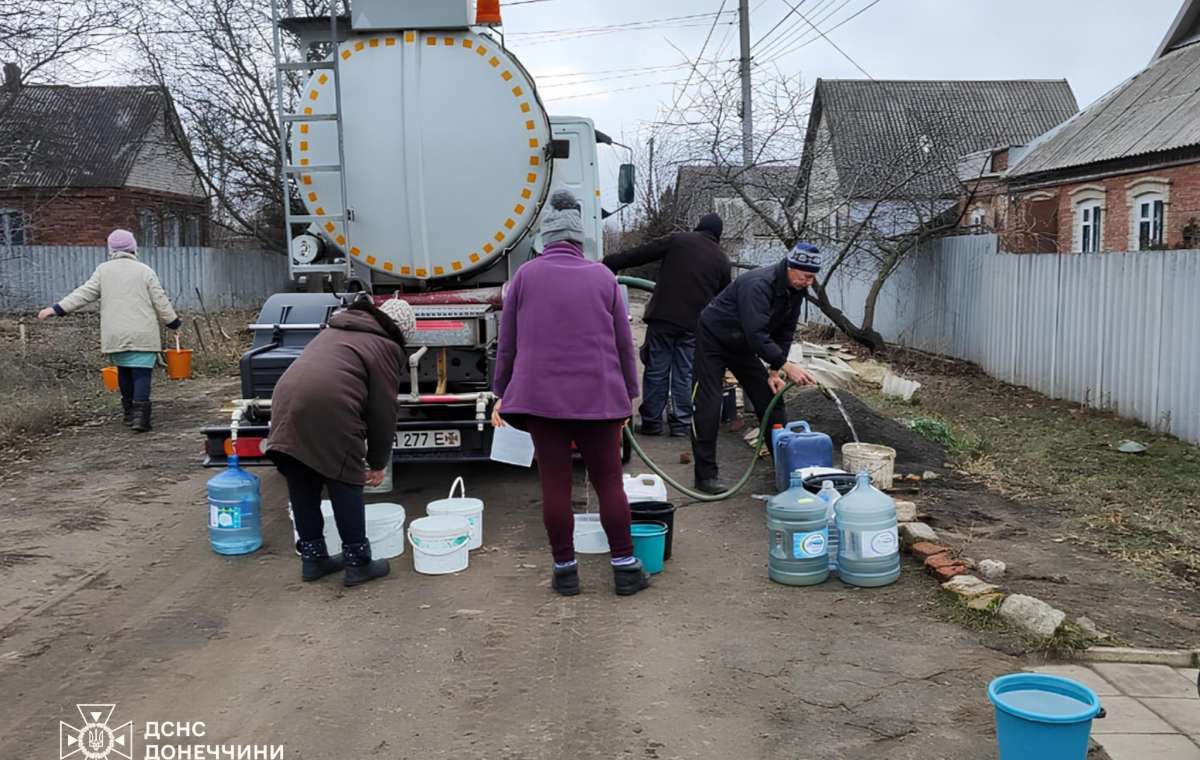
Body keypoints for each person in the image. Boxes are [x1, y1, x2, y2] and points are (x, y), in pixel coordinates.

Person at [492, 189, 650, 597]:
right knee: (609, 484)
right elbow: (623, 344)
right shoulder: (604, 277)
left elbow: (506, 342)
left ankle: (565, 571)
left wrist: (501, 392)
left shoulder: (524, 278)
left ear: (544, 240)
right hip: (600, 399)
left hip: (542, 403)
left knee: (555, 487)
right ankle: (625, 569)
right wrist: (629, 397)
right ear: (581, 242)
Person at [265, 295, 414, 587]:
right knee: (345, 477)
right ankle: (358, 562)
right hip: (329, 406)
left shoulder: (336, 329)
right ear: (401, 332)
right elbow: (383, 410)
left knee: (302, 476)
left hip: (285, 400)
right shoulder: (386, 346)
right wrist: (377, 462)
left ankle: (313, 559)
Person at [690, 242, 821, 494]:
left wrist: (775, 370)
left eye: (813, 277)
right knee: (709, 404)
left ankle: (784, 469)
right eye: (806, 276)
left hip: (743, 342)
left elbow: (785, 330)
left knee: (770, 399)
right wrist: (786, 365)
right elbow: (756, 334)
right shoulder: (758, 284)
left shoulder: (796, 289)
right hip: (714, 337)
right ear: (791, 267)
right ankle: (705, 476)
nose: (809, 283)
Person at [36, 229, 181, 432]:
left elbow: (84, 293)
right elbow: (160, 300)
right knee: (141, 374)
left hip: (116, 334)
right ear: (133, 248)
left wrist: (56, 309)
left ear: (111, 250)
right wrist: (173, 323)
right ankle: (141, 419)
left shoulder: (103, 271)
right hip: (143, 333)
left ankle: (129, 414)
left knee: (124, 371)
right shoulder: (144, 271)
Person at [602, 213, 731, 437]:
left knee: (656, 369)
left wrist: (609, 263)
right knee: (684, 372)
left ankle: (652, 422)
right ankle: (681, 423)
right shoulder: (722, 259)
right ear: (718, 235)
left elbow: (641, 254)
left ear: (697, 227)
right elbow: (724, 299)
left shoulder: (679, 240)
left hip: (663, 318)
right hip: (694, 325)